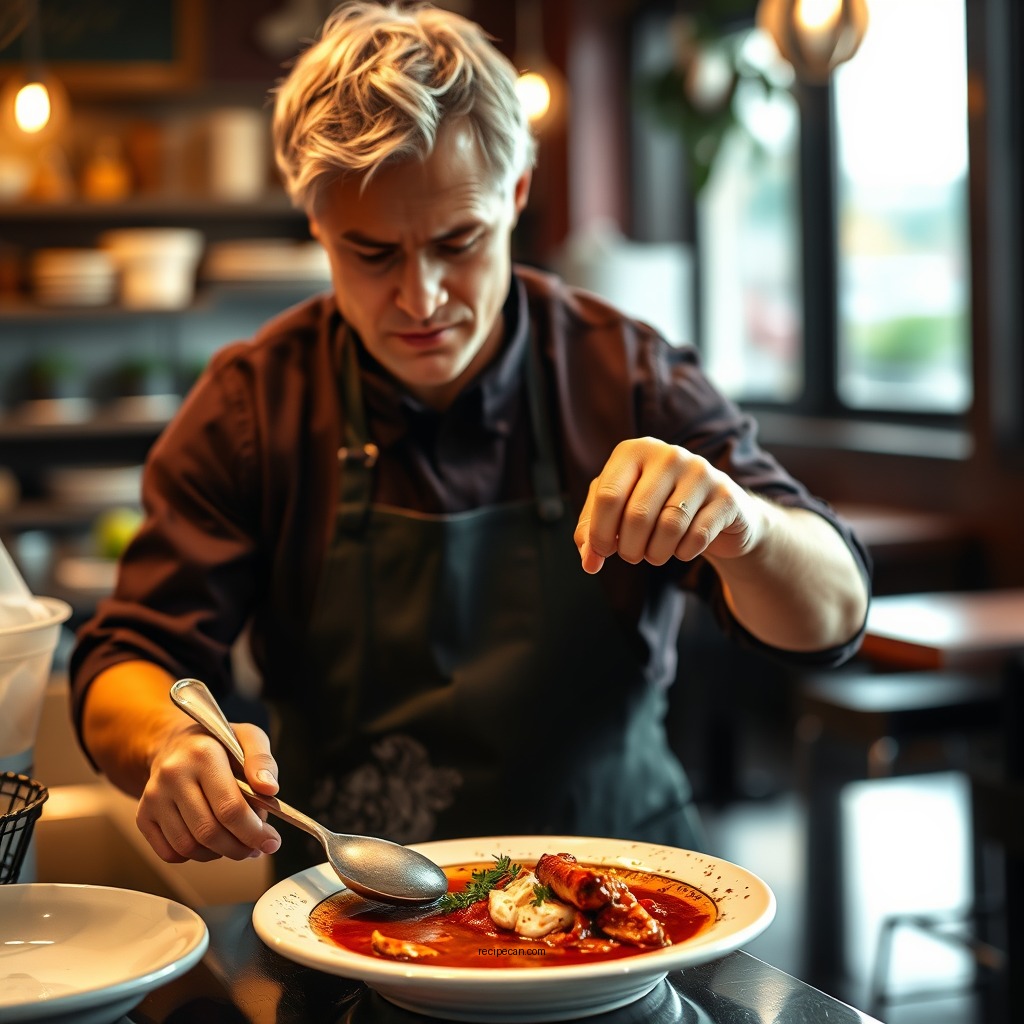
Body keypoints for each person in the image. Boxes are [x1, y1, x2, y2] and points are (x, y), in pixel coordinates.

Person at [69, 0, 870, 880]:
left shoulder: (623, 376)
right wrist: (167, 740)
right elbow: (127, 657)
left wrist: (743, 527)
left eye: (459, 242)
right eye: (371, 253)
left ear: (517, 193)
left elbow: (831, 614)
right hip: (362, 906)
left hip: (628, 893)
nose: (421, 298)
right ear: (316, 221)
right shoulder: (253, 406)